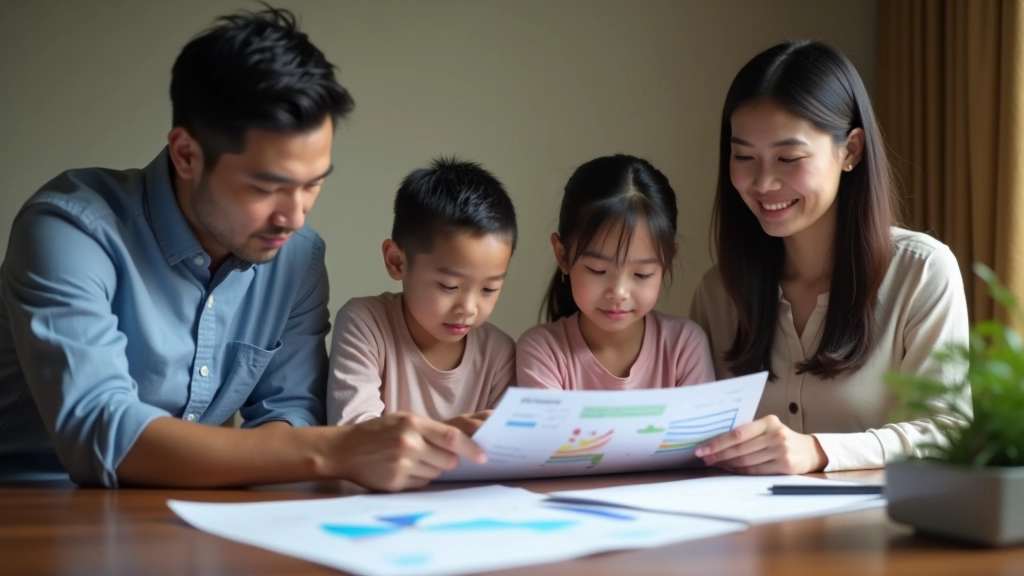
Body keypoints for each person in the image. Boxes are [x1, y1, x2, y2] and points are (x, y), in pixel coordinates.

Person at [0, 6, 484, 490]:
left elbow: (290, 411)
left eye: (312, 184)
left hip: (189, 515)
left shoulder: (298, 258)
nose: (294, 217)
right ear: (186, 154)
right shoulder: (68, 230)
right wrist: (340, 449)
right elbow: (100, 431)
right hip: (31, 508)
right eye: (265, 188)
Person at [689, 40, 971, 474]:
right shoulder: (718, 291)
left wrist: (819, 451)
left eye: (789, 157)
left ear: (851, 151)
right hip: (747, 536)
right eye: (744, 156)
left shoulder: (922, 272)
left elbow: (949, 430)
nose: (763, 182)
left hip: (877, 536)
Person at [328, 157, 517, 432]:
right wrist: (454, 435)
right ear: (396, 261)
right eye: (449, 286)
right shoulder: (366, 324)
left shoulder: (499, 354)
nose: (468, 308)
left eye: (489, 289)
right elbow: (354, 436)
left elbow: (504, 450)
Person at [517, 154, 715, 390]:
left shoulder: (684, 345)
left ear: (667, 262)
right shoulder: (543, 350)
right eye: (598, 270)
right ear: (563, 256)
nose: (619, 292)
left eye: (641, 274)